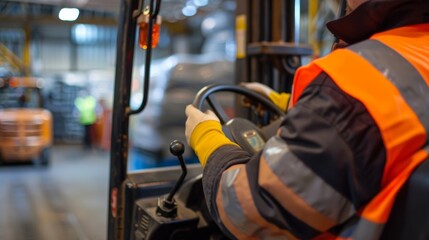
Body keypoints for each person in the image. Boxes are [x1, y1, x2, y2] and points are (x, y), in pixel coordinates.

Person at [184, 0, 429, 239]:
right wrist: (299, 102)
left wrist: (208, 140)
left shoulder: (353, 83)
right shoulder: (415, 51)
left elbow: (254, 212)